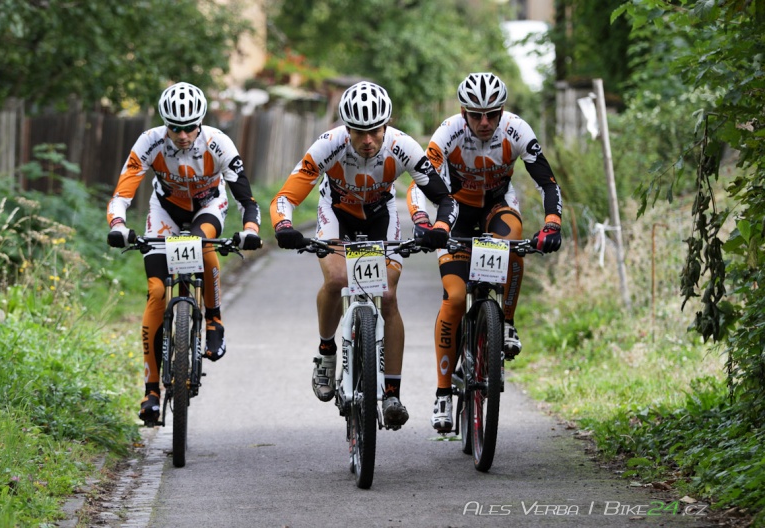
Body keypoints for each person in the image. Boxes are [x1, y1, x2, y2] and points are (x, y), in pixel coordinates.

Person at [270, 81, 457, 428]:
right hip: (336, 211)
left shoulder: (403, 147)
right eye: (358, 132)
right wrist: (283, 226)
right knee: (338, 278)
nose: (368, 140)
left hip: (380, 215)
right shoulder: (329, 145)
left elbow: (445, 199)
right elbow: (284, 197)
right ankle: (327, 352)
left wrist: (440, 230)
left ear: (385, 126)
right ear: (346, 128)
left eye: (374, 131)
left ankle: (392, 394)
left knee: (387, 295)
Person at [407, 72, 563, 433]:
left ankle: (505, 323)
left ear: (502, 111)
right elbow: (419, 182)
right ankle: (443, 394)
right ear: (463, 112)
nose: (484, 122)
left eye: (492, 114)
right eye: (476, 114)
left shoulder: (516, 130)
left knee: (516, 238)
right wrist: (421, 220)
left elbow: (547, 182)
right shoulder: (447, 132)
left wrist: (553, 223)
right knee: (455, 298)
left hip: (496, 208)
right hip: (456, 216)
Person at [106, 81, 262, 423]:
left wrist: (250, 229)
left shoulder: (218, 143)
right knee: (156, 292)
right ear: (166, 124)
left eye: (190, 127)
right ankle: (150, 390)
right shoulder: (150, 142)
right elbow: (123, 192)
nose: (182, 135)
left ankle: (214, 320)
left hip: (208, 206)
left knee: (200, 241)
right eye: (175, 128)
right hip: (165, 211)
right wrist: (117, 224)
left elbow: (246, 200)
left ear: (201, 122)